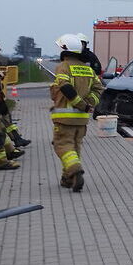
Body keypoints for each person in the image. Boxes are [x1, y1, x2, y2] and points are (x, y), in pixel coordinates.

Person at [50, 33, 104, 192]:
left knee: (62, 145)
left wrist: (81, 104)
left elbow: (65, 87)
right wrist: (89, 104)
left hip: (64, 117)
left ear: (65, 50)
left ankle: (75, 170)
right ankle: (68, 179)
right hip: (81, 120)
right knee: (75, 147)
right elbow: (99, 89)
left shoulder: (63, 66)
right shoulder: (87, 69)